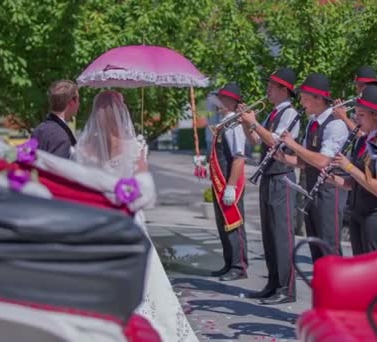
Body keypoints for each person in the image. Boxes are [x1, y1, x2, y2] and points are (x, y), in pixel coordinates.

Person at [73, 90, 198, 342]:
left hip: (97, 223)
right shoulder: (136, 146)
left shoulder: (82, 148)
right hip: (128, 221)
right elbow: (144, 189)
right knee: (146, 283)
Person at [239, 67, 299, 305]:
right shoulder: (272, 113)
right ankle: (273, 283)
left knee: (282, 234)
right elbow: (256, 140)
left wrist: (254, 124)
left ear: (285, 90)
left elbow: (276, 141)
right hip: (268, 176)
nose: (268, 90)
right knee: (269, 233)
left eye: (272, 87)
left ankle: (286, 287)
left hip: (282, 176)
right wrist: (247, 123)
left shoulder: (290, 114)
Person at [276, 73, 349, 260]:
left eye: (305, 98)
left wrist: (293, 145)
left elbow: (323, 161)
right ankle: (320, 286)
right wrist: (283, 157)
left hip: (329, 193)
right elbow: (304, 161)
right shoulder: (312, 123)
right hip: (311, 189)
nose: (301, 102)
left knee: (328, 246)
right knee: (315, 246)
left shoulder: (336, 125)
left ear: (319, 99)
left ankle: (335, 288)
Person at [328, 86, 377, 254]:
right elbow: (356, 183)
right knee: (359, 266)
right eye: (356, 114)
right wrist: (335, 179)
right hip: (358, 213)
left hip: (376, 216)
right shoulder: (363, 140)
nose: (356, 120)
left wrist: (349, 167)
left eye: (361, 115)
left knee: (375, 271)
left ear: (376, 115)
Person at [208, 83, 249, 282]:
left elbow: (239, 158)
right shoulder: (224, 123)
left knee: (233, 223)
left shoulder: (234, 125)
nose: (218, 102)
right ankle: (228, 262)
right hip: (220, 182)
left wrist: (231, 186)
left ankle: (239, 265)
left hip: (228, 183)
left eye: (222, 99)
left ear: (233, 102)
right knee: (223, 224)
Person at [32, 80, 80, 159]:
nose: (79, 104)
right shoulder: (61, 137)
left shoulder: (39, 128)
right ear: (71, 102)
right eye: (78, 100)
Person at [333, 66, 377, 135]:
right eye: (356, 86)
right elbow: (356, 127)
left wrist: (344, 118)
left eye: (360, 86)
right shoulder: (358, 105)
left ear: (372, 86)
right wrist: (341, 116)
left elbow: (363, 135)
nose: (357, 90)